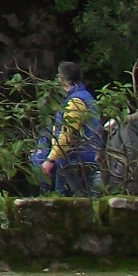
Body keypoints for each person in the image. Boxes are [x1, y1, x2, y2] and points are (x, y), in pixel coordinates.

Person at [35, 61, 103, 196]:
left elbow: (66, 134)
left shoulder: (75, 101)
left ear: (62, 78)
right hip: (88, 157)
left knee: (68, 203)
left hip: (74, 161)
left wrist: (50, 159)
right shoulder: (86, 97)